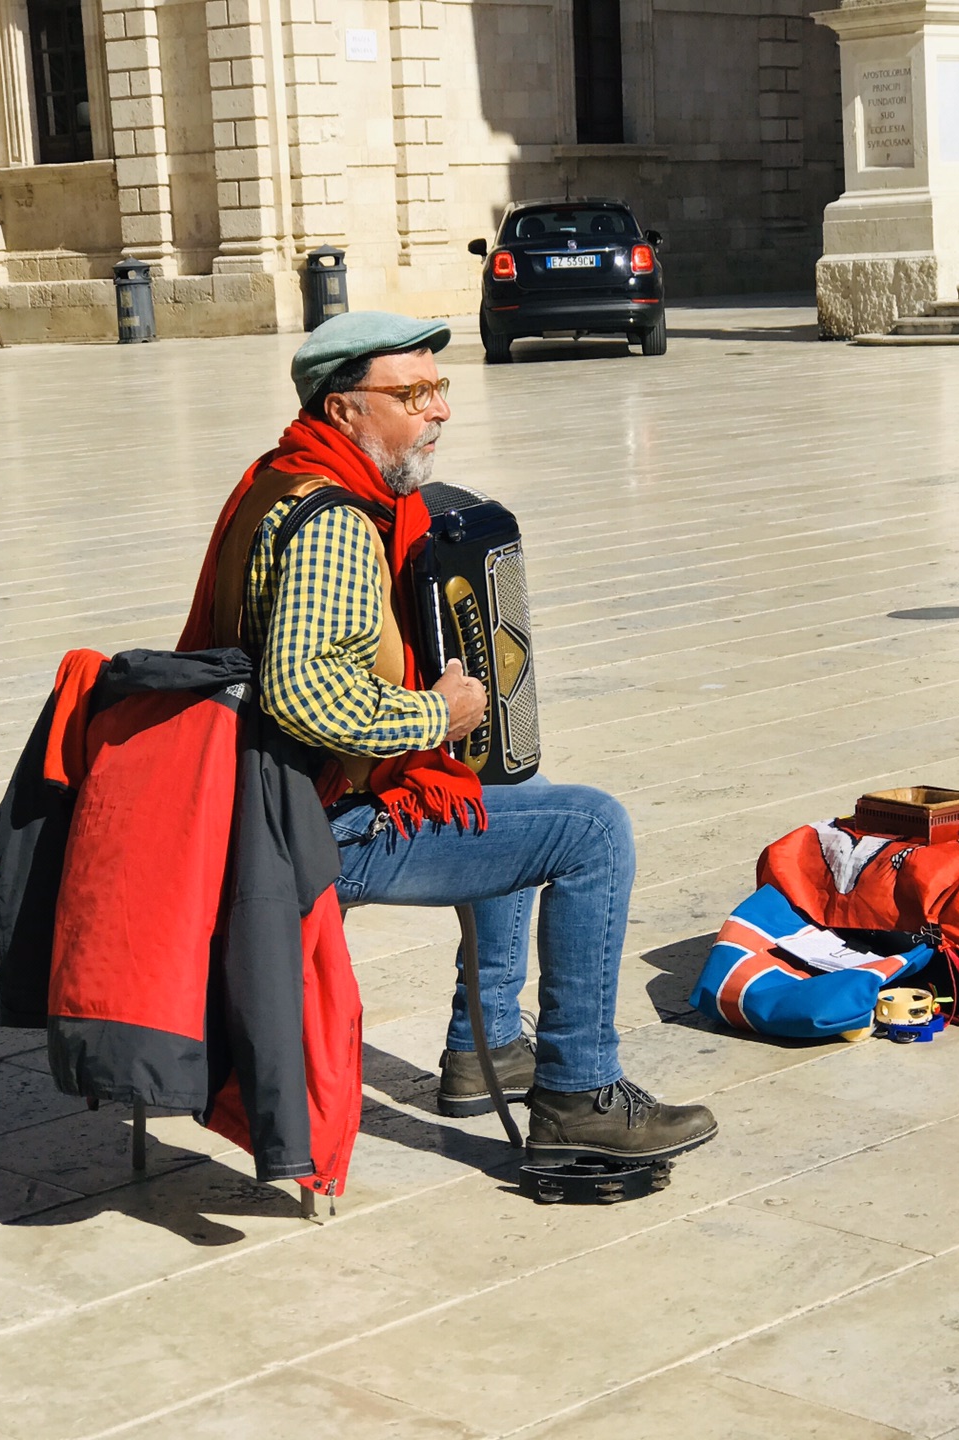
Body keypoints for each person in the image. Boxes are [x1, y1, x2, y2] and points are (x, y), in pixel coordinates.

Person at [209, 310, 718, 1165]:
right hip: (319, 831)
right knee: (592, 830)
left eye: (439, 389)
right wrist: (433, 715)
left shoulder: (276, 477)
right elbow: (300, 691)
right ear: (345, 412)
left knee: (502, 789)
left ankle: (481, 1053)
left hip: (267, 804)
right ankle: (579, 1092)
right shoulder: (335, 522)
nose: (439, 411)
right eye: (413, 394)